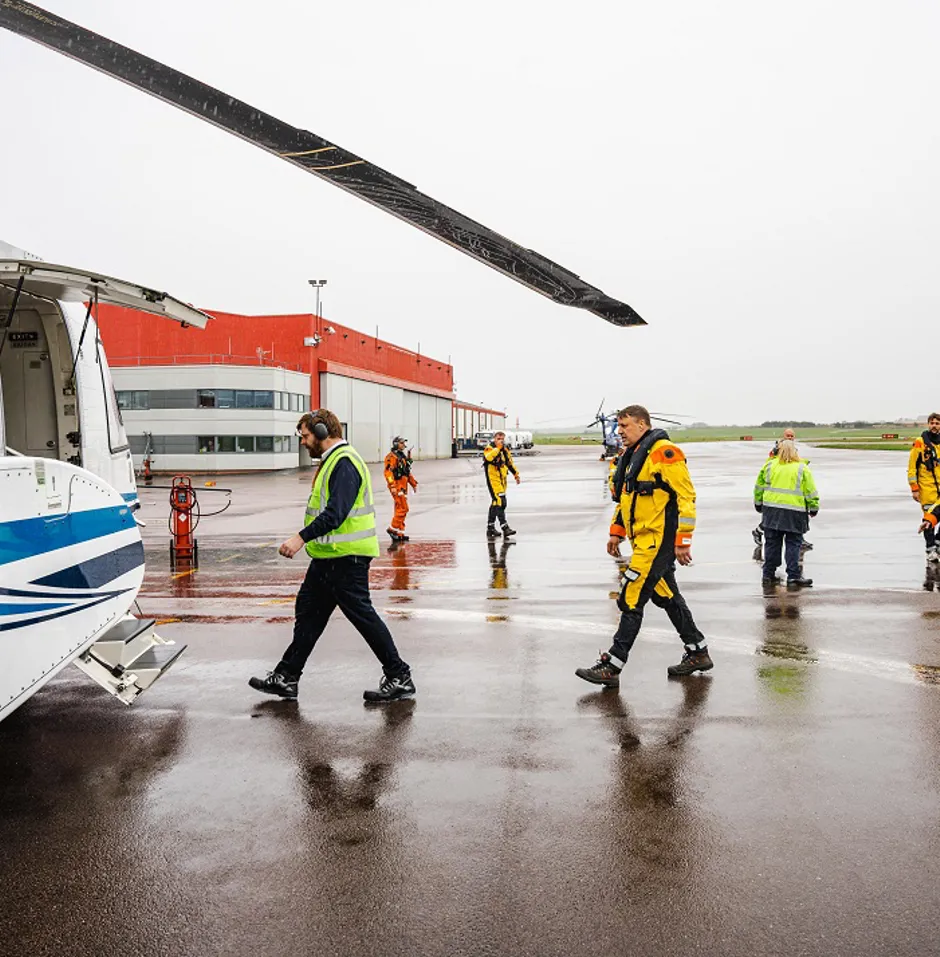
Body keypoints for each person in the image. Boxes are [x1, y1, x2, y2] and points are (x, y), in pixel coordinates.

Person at [249, 409, 415, 703]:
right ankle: (287, 677)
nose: (303, 442)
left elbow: (336, 514)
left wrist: (300, 537)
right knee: (309, 613)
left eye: (305, 435)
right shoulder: (332, 462)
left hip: (346, 558)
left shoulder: (344, 463)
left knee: (362, 616)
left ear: (323, 433)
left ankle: (399, 675)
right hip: (328, 557)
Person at [576, 405, 712, 687]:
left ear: (642, 425)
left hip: (658, 540)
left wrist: (683, 540)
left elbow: (687, 498)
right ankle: (697, 651)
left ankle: (612, 665)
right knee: (667, 597)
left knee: (631, 595)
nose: (620, 432)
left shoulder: (664, 453)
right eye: (618, 426)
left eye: (624, 426)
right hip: (642, 541)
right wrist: (617, 532)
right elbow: (627, 499)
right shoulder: (632, 456)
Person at [754, 439, 818, 588]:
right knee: (793, 544)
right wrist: (813, 507)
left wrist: (758, 503)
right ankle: (793, 576)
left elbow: (759, 486)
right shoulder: (802, 468)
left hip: (771, 511)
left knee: (772, 543)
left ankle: (768, 574)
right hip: (794, 512)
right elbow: (810, 490)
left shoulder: (769, 465)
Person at [752, 428, 814, 554]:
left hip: (788, 486)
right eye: (788, 435)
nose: (790, 437)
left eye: (792, 436)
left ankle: (800, 539)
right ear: (783, 436)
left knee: (788, 515)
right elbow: (769, 464)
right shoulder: (778, 449)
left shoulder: (792, 448)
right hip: (779, 485)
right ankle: (758, 531)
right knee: (779, 518)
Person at [908, 414, 940, 563]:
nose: (934, 426)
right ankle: (930, 548)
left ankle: (938, 543)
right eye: (932, 423)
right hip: (926, 488)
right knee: (929, 518)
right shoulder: (920, 443)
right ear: (928, 425)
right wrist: (914, 488)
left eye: (937, 423)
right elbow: (912, 467)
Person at [483, 431, 521, 539]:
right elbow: (488, 458)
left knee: (497, 503)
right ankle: (505, 527)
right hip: (493, 480)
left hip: (502, 481)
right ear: (494, 439)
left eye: (502, 438)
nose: (500, 440)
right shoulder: (490, 448)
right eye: (498, 438)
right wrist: (497, 448)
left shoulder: (504, 450)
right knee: (500, 501)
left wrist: (516, 475)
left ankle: (490, 528)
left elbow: (509, 463)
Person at [384, 436, 418, 542]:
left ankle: (400, 533)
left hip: (403, 487)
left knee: (399, 509)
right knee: (404, 508)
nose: (404, 445)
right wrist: (393, 486)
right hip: (397, 486)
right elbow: (388, 472)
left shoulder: (402, 457)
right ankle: (392, 529)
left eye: (404, 443)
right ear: (396, 444)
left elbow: (406, 472)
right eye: (401, 443)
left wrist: (413, 484)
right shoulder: (391, 457)